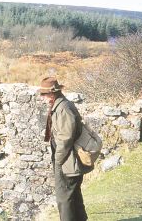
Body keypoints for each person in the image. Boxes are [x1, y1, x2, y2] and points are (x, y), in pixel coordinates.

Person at [39, 77, 88, 221]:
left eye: (44, 94)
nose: (42, 98)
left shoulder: (63, 108)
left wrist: (58, 160)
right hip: (68, 157)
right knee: (73, 194)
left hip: (67, 159)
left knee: (64, 198)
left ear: (52, 94)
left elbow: (66, 138)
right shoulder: (60, 105)